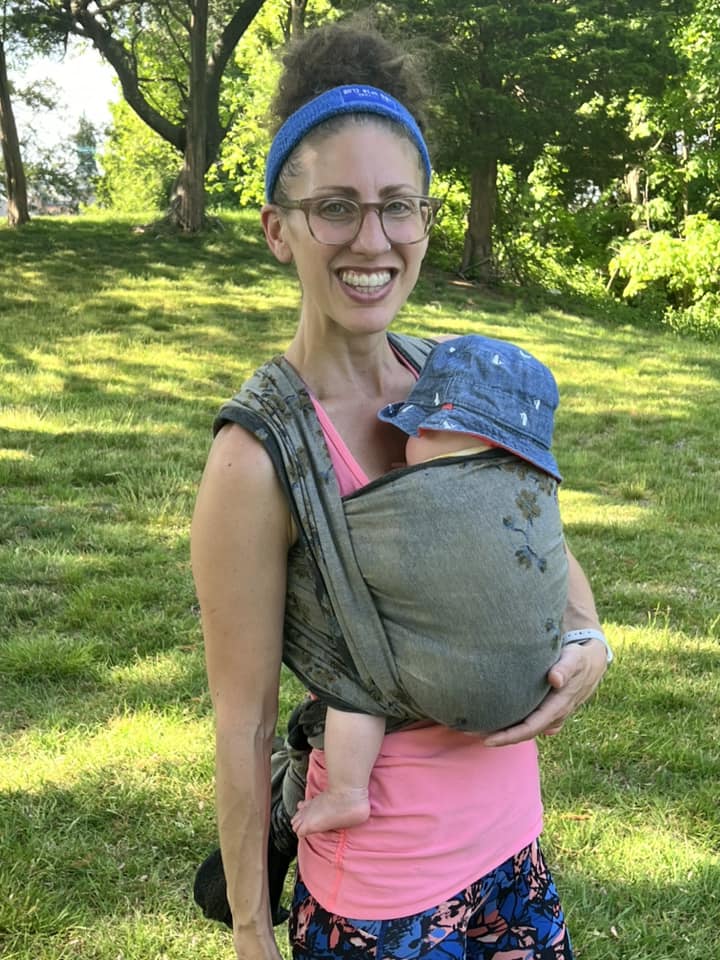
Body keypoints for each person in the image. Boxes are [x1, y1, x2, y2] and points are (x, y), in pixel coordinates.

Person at [191, 20, 610, 960]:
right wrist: (254, 936)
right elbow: (243, 719)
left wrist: (589, 635)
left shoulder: (451, 383)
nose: (371, 239)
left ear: (424, 217)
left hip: (514, 857)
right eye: (335, 206)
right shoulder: (256, 456)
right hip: (381, 904)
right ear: (277, 228)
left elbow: (531, 538)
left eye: (397, 205)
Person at [290, 333, 573, 839]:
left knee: (355, 681)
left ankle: (347, 793)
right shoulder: (527, 485)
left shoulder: (423, 496)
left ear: (446, 428)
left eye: (418, 429)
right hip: (535, 684)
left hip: (404, 842)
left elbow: (336, 551)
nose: (406, 441)